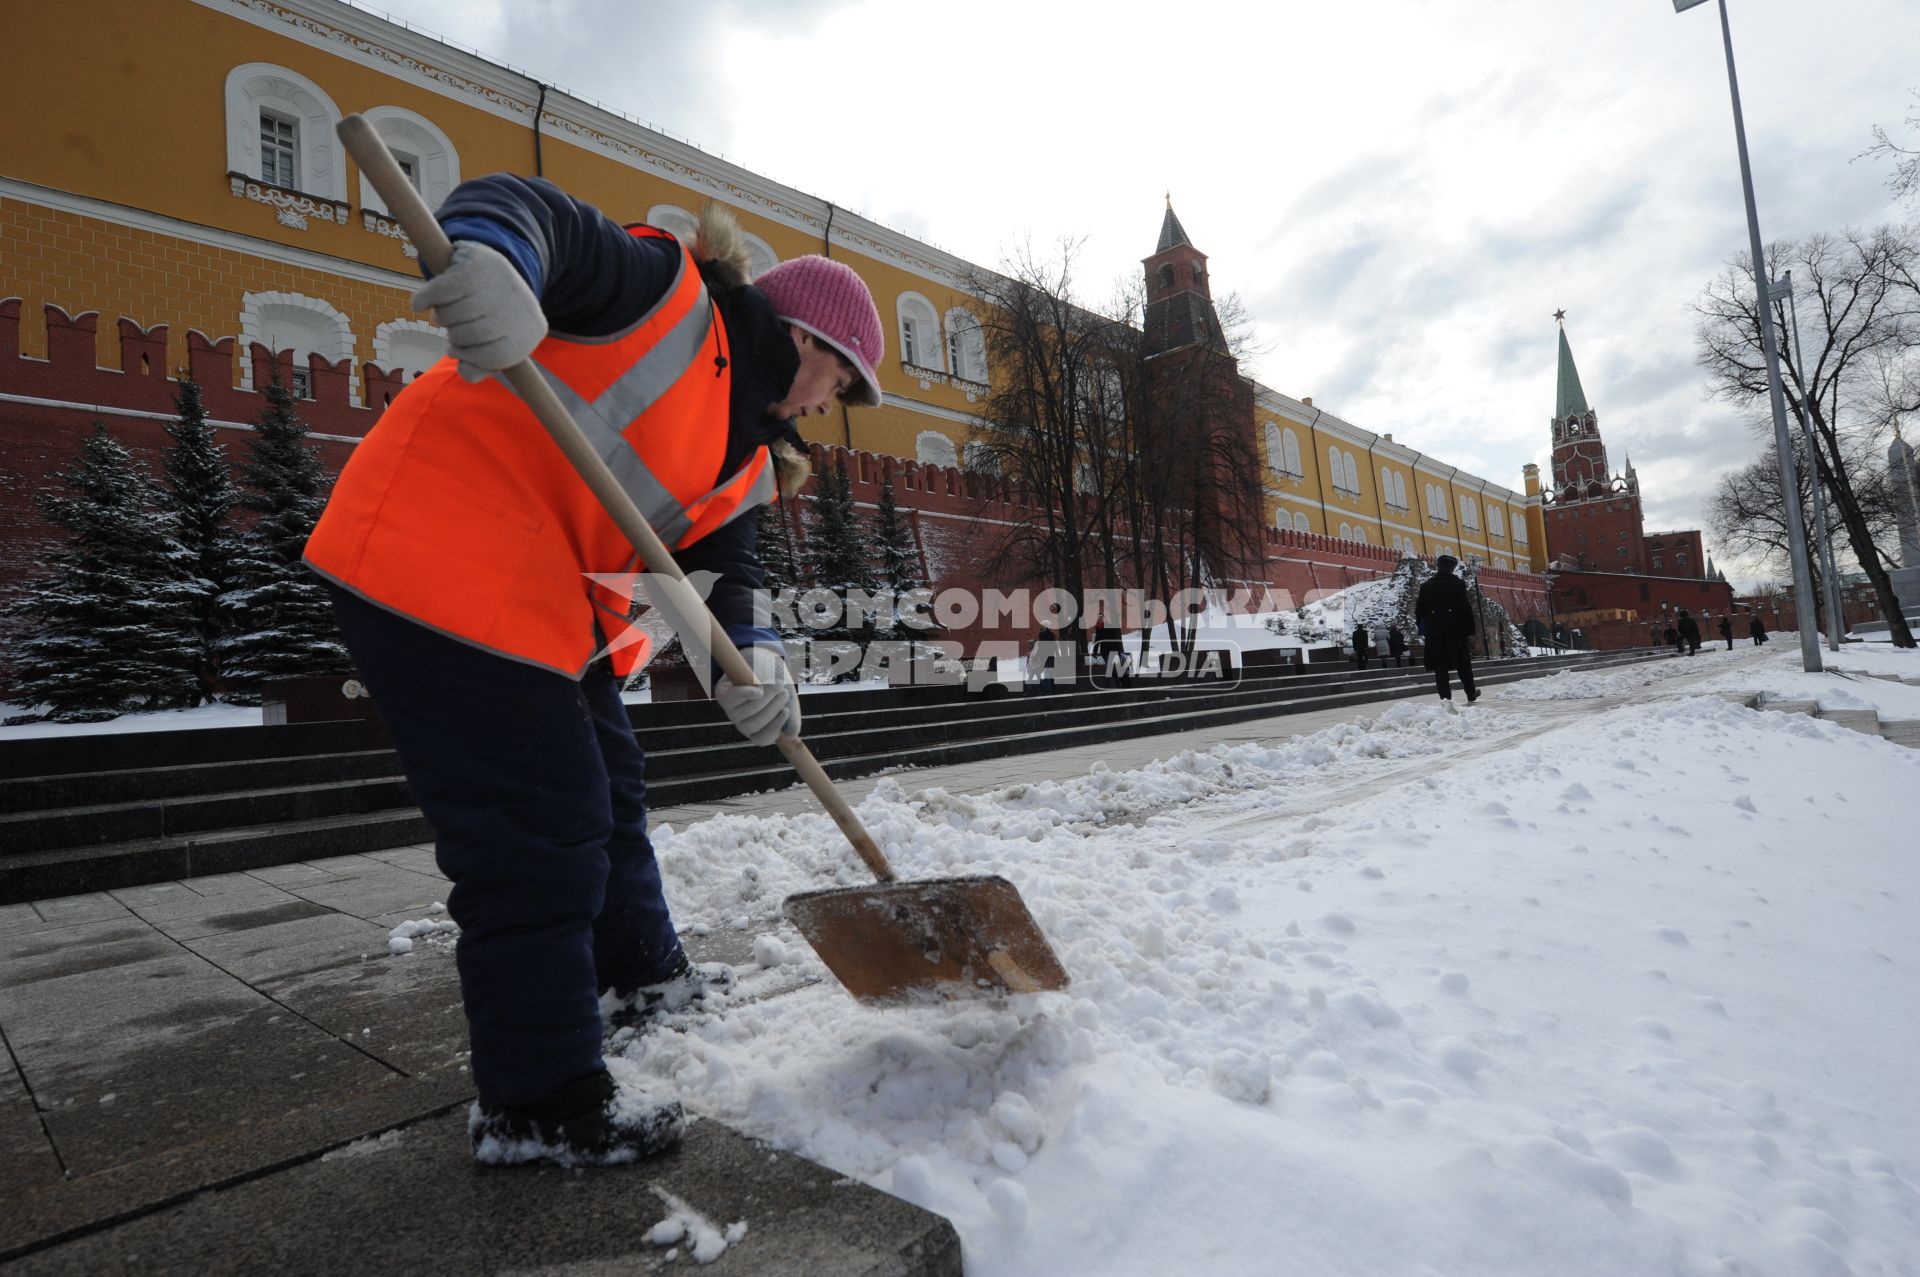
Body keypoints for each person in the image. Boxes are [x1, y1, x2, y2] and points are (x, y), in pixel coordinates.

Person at [304, 173, 885, 1167]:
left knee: (610, 792)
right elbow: (531, 210)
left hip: (543, 615)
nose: (833, 407)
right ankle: (541, 1099)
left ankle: (642, 974)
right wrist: (493, 258)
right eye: (844, 383)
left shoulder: (744, 453)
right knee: (542, 831)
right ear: (809, 342)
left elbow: (724, 582)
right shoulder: (663, 294)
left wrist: (761, 663)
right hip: (435, 556)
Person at [1414, 555, 1478, 705]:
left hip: (1435, 633)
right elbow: (1465, 609)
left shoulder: (1426, 586)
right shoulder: (1458, 584)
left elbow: (1419, 611)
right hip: (1456, 631)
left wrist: (1425, 628)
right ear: (1451, 567)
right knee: (1463, 665)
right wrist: (1469, 631)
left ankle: (1445, 699)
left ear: (1438, 566)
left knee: (1440, 667)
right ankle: (1471, 693)